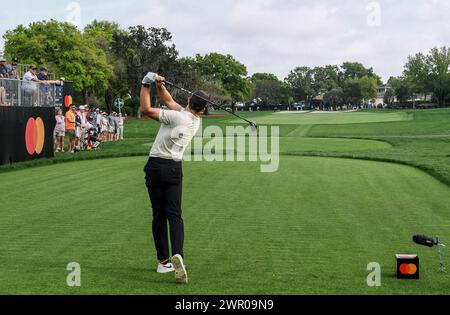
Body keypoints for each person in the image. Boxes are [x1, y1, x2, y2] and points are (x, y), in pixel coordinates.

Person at [140, 72, 208, 284]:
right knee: (174, 215)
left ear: (189, 101)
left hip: (155, 166)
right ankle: (178, 254)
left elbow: (146, 109)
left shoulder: (177, 116)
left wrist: (146, 83)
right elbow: (169, 101)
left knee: (158, 215)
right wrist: (160, 85)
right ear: (203, 109)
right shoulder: (194, 121)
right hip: (174, 169)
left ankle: (163, 262)